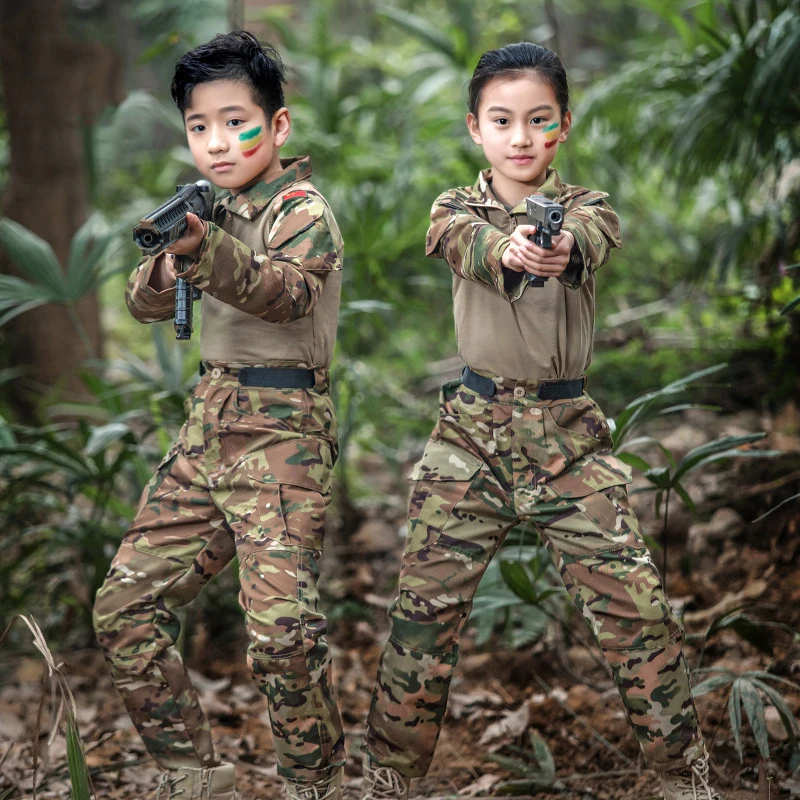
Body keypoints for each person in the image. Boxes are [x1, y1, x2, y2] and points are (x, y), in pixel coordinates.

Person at [359, 42, 722, 800]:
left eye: (538, 120)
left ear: (563, 126)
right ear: (474, 128)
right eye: (502, 120)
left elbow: (588, 240)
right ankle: (389, 776)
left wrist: (557, 248)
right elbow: (470, 244)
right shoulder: (454, 209)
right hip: (471, 437)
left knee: (636, 607)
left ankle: (680, 773)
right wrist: (513, 248)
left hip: (568, 441)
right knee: (423, 616)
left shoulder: (590, 210)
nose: (520, 136)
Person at [93, 31, 346, 800]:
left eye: (234, 122)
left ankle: (316, 785)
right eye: (198, 126)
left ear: (278, 127)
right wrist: (172, 256)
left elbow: (288, 293)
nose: (215, 141)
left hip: (282, 436)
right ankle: (193, 776)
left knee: (281, 639)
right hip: (209, 430)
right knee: (125, 608)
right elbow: (142, 303)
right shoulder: (210, 212)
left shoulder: (302, 211)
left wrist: (205, 252)